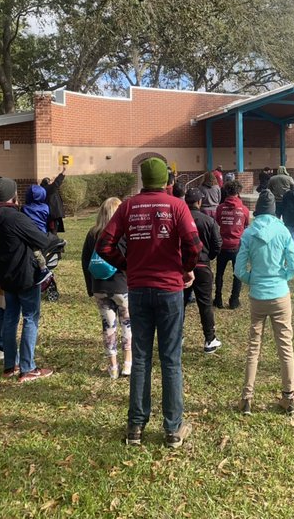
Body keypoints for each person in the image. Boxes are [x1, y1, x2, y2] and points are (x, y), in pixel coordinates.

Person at [96, 158, 202, 447]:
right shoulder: (177, 206)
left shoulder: (128, 206)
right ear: (166, 180)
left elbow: (104, 245)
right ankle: (173, 428)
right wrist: (184, 268)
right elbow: (194, 245)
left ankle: (135, 427)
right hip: (170, 290)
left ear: (142, 179)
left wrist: (128, 264)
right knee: (170, 358)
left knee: (141, 357)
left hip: (139, 289)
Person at [234, 191, 294, 415]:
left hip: (258, 296)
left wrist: (254, 280)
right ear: (274, 211)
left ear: (257, 211)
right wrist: (282, 276)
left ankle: (247, 398)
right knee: (285, 346)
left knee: (254, 346)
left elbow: (239, 269)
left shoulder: (248, 233)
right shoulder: (282, 231)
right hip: (280, 294)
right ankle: (289, 397)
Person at [0, 177, 57, 382]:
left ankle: (10, 365)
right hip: (25, 275)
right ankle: (28, 368)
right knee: (30, 318)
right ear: (13, 194)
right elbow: (41, 239)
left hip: (4, 275)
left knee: (10, 318)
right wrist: (55, 240)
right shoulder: (15, 217)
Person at [82, 197, 132, 378]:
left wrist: (90, 287)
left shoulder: (92, 234)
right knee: (127, 324)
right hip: (121, 285)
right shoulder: (123, 233)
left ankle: (113, 366)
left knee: (108, 327)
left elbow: (85, 261)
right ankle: (128, 362)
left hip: (99, 286)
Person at [184, 189, 223, 354]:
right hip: (203, 266)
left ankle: (176, 337)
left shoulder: (179, 220)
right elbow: (217, 244)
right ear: (199, 202)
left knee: (180, 303)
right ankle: (209, 339)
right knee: (205, 304)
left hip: (182, 267)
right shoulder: (209, 221)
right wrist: (207, 257)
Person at [214, 181, 250, 309]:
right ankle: (234, 301)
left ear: (226, 192)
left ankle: (217, 299)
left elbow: (217, 222)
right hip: (237, 246)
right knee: (237, 274)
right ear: (238, 192)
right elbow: (246, 225)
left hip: (222, 245)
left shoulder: (220, 208)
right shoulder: (244, 209)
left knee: (219, 274)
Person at [41, 168, 67, 233]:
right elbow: (56, 183)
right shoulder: (49, 189)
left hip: (51, 213)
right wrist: (63, 172)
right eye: (50, 181)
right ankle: (53, 240)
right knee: (53, 229)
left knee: (53, 228)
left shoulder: (44, 189)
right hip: (52, 214)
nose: (51, 182)